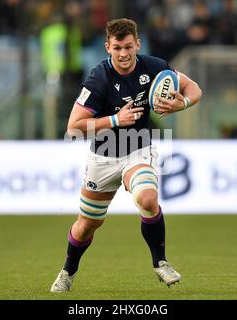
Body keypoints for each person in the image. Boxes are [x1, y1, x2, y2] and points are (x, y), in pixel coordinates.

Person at [50, 18, 202, 293]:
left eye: (129, 46)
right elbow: (74, 127)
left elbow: (194, 89)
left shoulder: (154, 67)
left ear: (137, 44)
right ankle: (67, 271)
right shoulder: (99, 78)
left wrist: (183, 103)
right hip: (103, 157)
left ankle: (161, 262)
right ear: (108, 47)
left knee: (147, 197)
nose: (124, 53)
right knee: (87, 225)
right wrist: (116, 120)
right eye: (117, 47)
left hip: (138, 150)